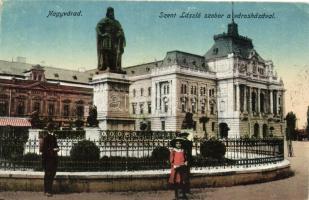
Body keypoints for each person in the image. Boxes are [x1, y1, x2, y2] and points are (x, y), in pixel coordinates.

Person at [96, 7, 126, 73]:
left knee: (115, 54)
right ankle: (106, 66)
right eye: (110, 12)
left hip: (115, 40)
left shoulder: (116, 22)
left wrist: (120, 33)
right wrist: (102, 34)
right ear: (107, 13)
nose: (111, 13)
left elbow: (120, 29)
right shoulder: (105, 20)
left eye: (112, 12)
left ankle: (115, 67)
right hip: (107, 39)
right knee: (107, 53)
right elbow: (98, 27)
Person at [42, 123, 59, 197]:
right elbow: (44, 149)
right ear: (50, 129)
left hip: (53, 158)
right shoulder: (46, 137)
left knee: (52, 175)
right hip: (48, 159)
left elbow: (56, 145)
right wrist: (53, 149)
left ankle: (49, 190)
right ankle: (47, 191)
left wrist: (57, 148)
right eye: (53, 128)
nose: (53, 130)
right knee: (48, 175)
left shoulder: (53, 137)